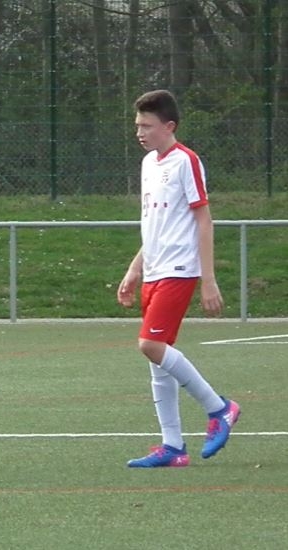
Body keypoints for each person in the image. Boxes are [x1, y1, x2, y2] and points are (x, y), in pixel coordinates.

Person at [118, 89, 240, 468]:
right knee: (158, 360)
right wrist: (135, 268)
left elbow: (203, 220)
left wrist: (208, 279)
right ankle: (173, 447)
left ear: (169, 126)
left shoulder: (187, 161)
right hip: (154, 270)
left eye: (147, 126)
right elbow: (157, 224)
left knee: (150, 345)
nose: (140, 132)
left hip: (180, 269)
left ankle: (219, 408)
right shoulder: (148, 164)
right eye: (138, 125)